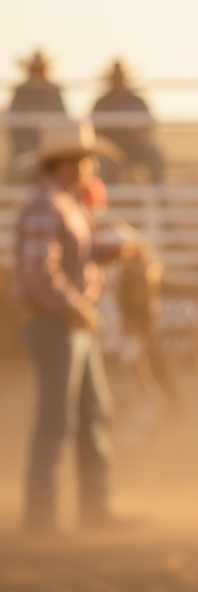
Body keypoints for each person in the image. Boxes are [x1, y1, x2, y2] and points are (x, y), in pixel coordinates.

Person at [13, 120, 132, 533]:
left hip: (68, 323)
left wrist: (113, 251)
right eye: (87, 160)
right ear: (68, 164)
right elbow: (38, 271)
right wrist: (77, 306)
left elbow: (72, 255)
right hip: (56, 323)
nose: (93, 167)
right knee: (57, 418)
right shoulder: (46, 204)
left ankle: (93, 508)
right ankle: (41, 517)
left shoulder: (64, 203)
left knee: (92, 411)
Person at [91, 60, 165, 183]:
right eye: (116, 78)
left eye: (120, 78)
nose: (118, 81)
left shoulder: (137, 101)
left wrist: (140, 137)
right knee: (105, 165)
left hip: (135, 144)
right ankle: (110, 192)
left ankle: (156, 190)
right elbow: (94, 127)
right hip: (110, 146)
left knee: (156, 157)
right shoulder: (102, 102)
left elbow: (149, 123)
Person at [5, 51, 73, 183]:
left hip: (52, 144)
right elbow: (13, 120)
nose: (38, 72)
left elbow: (63, 116)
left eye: (40, 69)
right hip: (26, 144)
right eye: (35, 69)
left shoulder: (54, 90)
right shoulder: (21, 90)